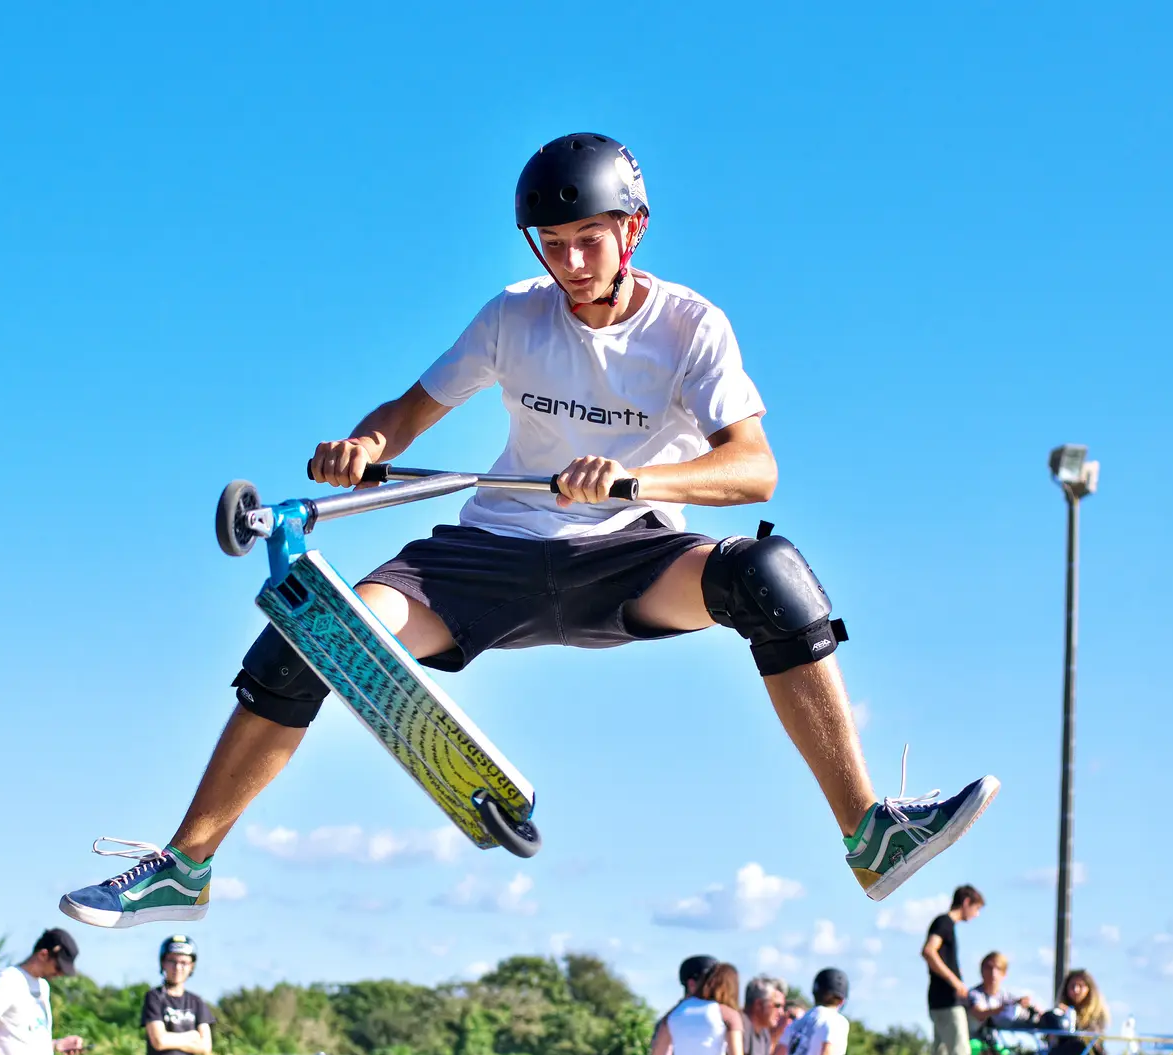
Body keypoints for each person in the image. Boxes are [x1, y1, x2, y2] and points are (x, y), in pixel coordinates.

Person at [59, 132, 998, 931]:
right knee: (314, 632)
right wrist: (364, 445)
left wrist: (634, 478)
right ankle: (185, 867)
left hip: (633, 557)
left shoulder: (690, 327)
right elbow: (408, 414)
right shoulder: (513, 316)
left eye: (589, 241)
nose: (571, 264)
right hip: (489, 556)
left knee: (769, 575)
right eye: (554, 246)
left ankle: (868, 832)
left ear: (633, 230)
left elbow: (754, 468)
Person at [914, 885, 983, 1055]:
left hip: (939, 1000)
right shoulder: (944, 922)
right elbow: (929, 951)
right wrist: (955, 982)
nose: (976, 915)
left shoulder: (947, 926)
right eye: (976, 909)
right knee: (961, 1052)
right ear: (966, 902)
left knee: (941, 1054)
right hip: (946, 1001)